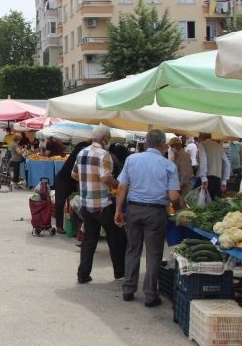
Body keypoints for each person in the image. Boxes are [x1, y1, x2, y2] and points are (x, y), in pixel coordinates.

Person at [114, 129, 181, 308]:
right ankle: (150, 295)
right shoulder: (169, 165)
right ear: (163, 145)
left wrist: (118, 210)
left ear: (145, 143)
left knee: (132, 249)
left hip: (134, 209)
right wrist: (180, 208)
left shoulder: (132, 159)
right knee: (154, 254)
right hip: (156, 213)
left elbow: (121, 187)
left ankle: (128, 289)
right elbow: (174, 197)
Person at [73, 126, 127, 284]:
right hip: (102, 204)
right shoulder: (104, 155)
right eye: (108, 138)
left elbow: (74, 174)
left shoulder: (82, 152)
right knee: (115, 237)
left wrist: (87, 181)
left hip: (86, 203)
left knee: (89, 239)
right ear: (104, 139)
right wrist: (118, 185)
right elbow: (105, 178)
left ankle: (83, 274)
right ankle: (120, 272)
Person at [54, 141, 90, 234]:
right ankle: (59, 226)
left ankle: (76, 226)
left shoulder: (83, 151)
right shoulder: (80, 152)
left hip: (73, 181)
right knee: (60, 203)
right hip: (63, 180)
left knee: (76, 202)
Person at [198, 133, 230, 200]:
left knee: (199, 203)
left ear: (202, 135)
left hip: (206, 179)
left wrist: (203, 178)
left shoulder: (202, 144)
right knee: (213, 204)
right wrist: (224, 181)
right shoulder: (219, 146)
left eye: (199, 135)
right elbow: (227, 163)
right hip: (217, 179)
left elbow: (203, 161)